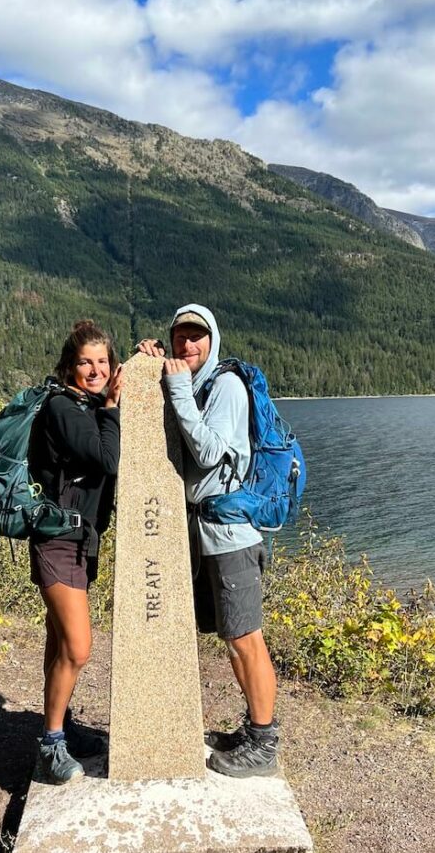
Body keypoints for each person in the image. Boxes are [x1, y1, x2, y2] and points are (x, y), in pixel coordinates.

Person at [137, 303, 280, 778]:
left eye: (196, 336)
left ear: (212, 340)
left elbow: (207, 449)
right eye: (179, 337)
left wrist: (174, 385)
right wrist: (152, 366)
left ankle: (264, 743)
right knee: (232, 636)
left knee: (246, 638)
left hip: (232, 535)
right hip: (207, 535)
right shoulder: (197, 385)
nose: (187, 345)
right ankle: (251, 729)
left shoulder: (227, 387)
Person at [27, 319, 123, 784]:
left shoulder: (82, 405)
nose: (95, 369)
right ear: (69, 364)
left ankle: (59, 727)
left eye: (103, 361)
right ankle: (51, 745)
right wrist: (113, 408)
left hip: (79, 543)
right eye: (86, 361)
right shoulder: (65, 408)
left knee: (60, 642)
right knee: (79, 648)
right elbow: (106, 459)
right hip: (58, 542)